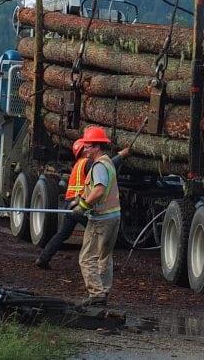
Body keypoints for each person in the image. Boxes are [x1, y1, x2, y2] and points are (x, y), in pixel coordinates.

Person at [35, 135, 129, 270]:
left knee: (63, 233)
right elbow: (106, 166)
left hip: (70, 203)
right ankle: (105, 264)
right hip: (80, 203)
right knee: (98, 232)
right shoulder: (88, 163)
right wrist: (121, 156)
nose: (87, 149)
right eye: (85, 147)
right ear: (83, 151)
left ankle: (43, 258)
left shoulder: (77, 165)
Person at [73, 125, 123, 306]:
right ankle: (104, 291)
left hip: (100, 220)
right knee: (104, 257)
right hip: (113, 216)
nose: (84, 149)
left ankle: (96, 295)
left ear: (96, 147)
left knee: (87, 258)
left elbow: (100, 190)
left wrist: (84, 205)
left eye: (87, 146)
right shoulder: (108, 162)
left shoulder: (98, 166)